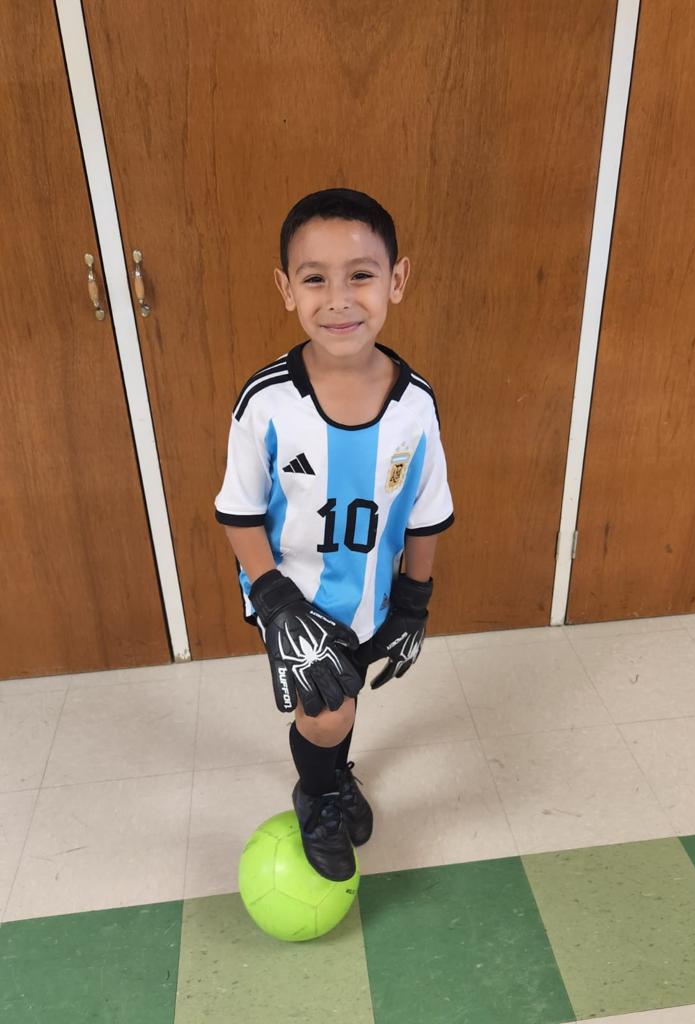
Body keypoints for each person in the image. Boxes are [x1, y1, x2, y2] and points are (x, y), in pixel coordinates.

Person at [214, 187, 454, 881]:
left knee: (344, 697)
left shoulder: (415, 406)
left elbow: (426, 511)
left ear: (396, 280)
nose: (339, 299)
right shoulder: (267, 403)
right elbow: (238, 511)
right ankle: (316, 794)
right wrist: (274, 601)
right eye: (315, 278)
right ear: (286, 289)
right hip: (294, 597)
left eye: (361, 275)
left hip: (372, 593)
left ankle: (334, 770)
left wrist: (414, 602)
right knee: (324, 709)